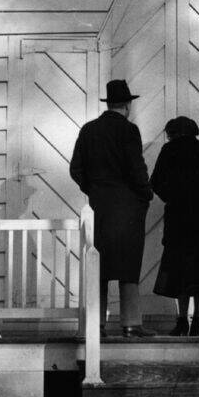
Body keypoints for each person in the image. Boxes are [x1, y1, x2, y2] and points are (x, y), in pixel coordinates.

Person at [69, 79, 152, 336]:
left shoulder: (88, 130)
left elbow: (75, 169)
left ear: (109, 103)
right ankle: (130, 323)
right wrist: (145, 194)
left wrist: (93, 189)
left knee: (100, 265)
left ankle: (97, 325)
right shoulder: (129, 131)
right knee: (128, 267)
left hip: (100, 207)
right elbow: (136, 169)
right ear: (127, 105)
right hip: (127, 207)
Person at [150, 116, 199, 336]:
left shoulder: (169, 150)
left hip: (179, 215)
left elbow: (155, 182)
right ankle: (197, 319)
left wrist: (172, 197)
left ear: (174, 132)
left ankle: (182, 319)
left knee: (180, 270)